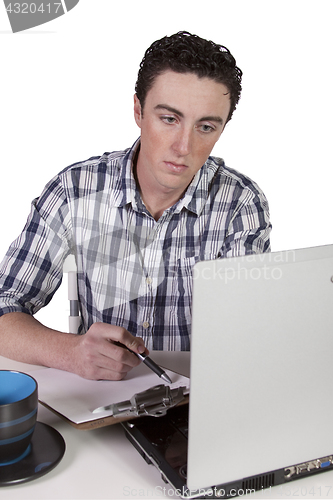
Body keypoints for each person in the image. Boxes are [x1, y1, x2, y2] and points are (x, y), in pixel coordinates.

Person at [0, 32, 271, 380]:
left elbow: (244, 337)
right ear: (138, 111)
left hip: (198, 399)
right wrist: (70, 352)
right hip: (101, 401)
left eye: (205, 126)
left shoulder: (241, 205)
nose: (184, 146)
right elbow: (5, 303)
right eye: (169, 119)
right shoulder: (75, 190)